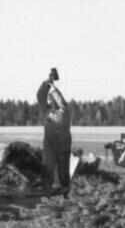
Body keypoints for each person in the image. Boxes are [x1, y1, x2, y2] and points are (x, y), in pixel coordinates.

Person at [37, 67, 72, 195]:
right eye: (50, 99)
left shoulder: (64, 111)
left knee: (63, 169)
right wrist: (47, 82)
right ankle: (47, 191)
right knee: (48, 168)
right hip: (50, 143)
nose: (50, 100)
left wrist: (53, 88)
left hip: (63, 144)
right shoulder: (46, 110)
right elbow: (40, 96)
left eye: (53, 99)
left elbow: (60, 101)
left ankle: (65, 192)